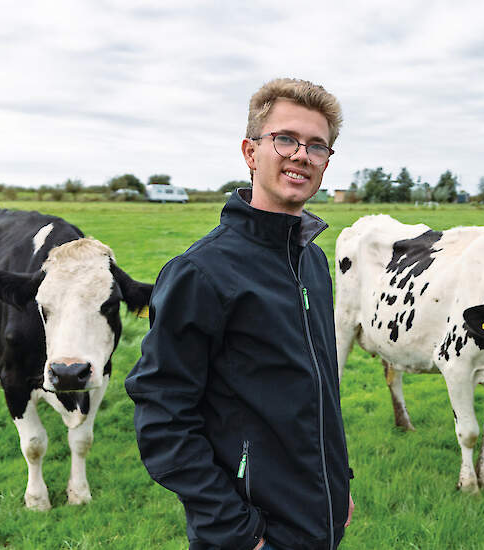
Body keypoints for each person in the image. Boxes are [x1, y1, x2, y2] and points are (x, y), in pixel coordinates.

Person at [125, 78, 353, 550]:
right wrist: (239, 534)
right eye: (285, 139)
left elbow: (321, 391)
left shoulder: (311, 260)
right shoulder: (202, 273)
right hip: (253, 531)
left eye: (317, 146)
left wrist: (338, 482)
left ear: (327, 162)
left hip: (320, 517)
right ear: (251, 152)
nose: (301, 155)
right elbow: (164, 419)